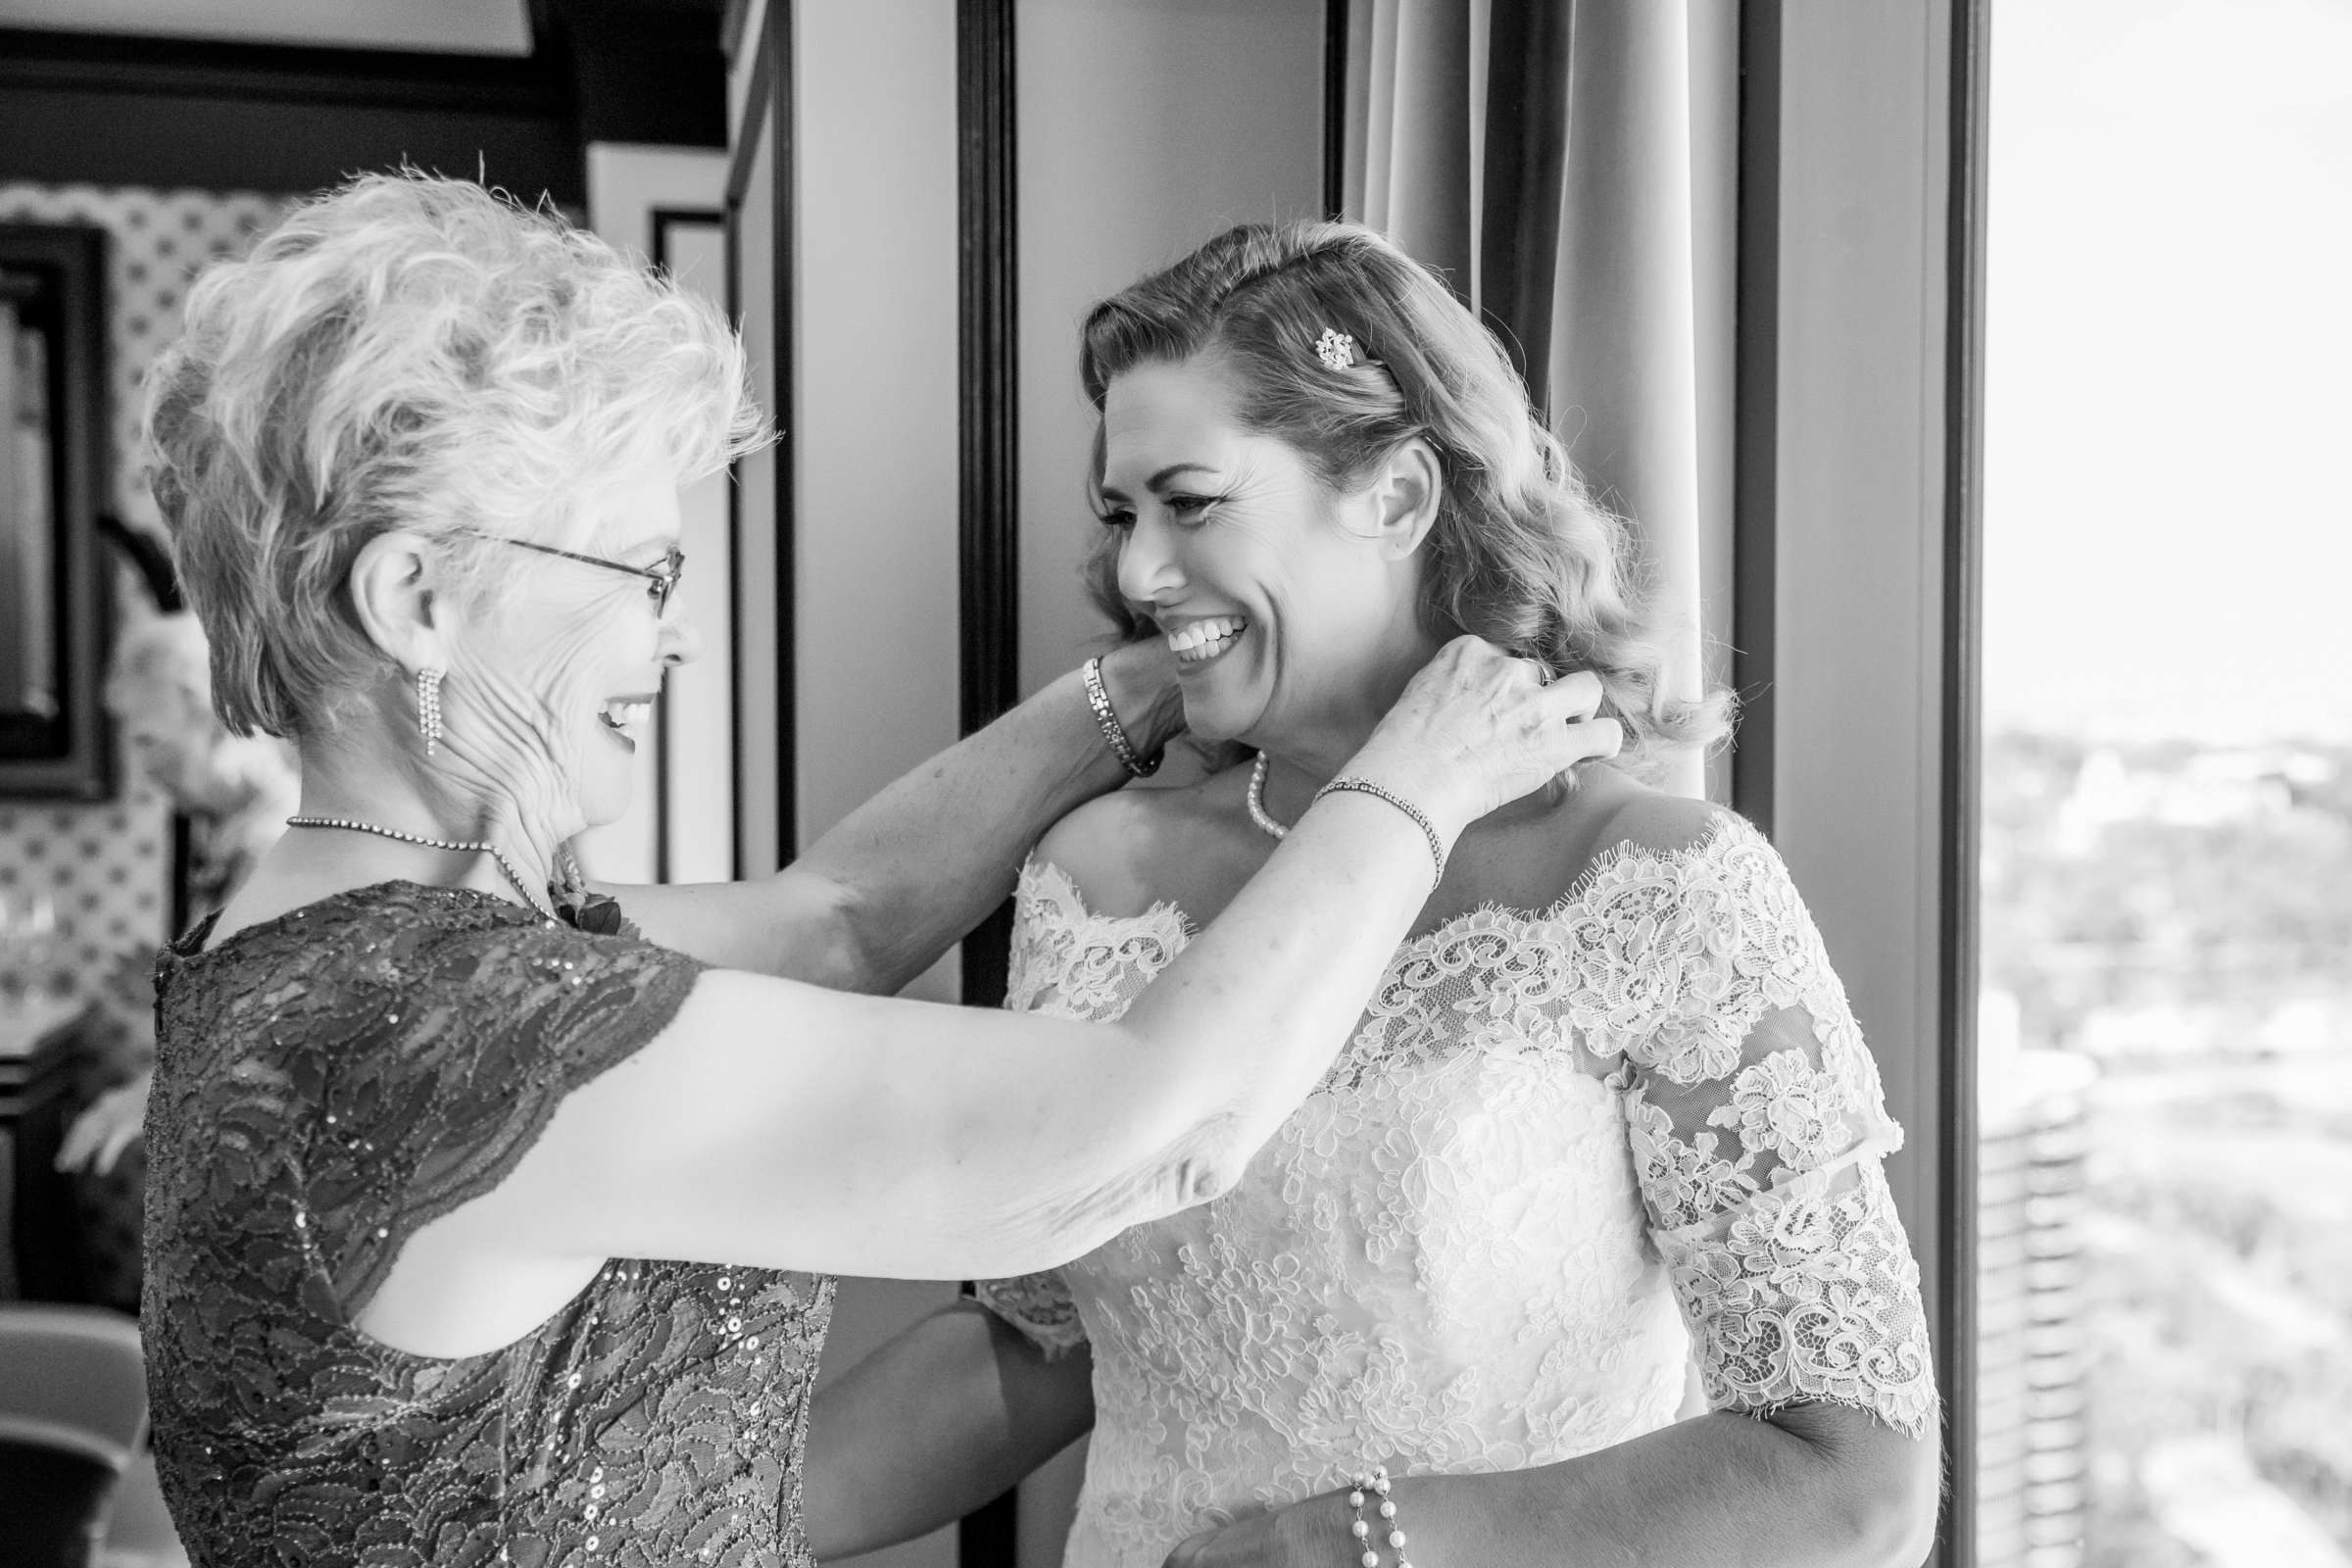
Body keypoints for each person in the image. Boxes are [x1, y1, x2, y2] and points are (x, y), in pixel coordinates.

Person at [134, 173, 1618, 1568]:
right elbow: (1145, 1132)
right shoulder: (446, 1036)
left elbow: (832, 921)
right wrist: (1412, 785)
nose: (676, 634)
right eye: (641, 574)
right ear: (416, 598)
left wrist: (1145, 688)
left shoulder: (337, 958)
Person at [804, 221, 1942, 1568]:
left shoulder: (1660, 890)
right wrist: (665, 1520)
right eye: (1123, 515)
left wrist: (1354, 1548)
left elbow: (1852, 1477)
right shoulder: (1098, 878)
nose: (1136, 573)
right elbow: (1047, 1337)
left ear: (1398, 498)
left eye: (1191, 500)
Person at [50, 610, 298, 1180]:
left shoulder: (270, 844)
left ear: (208, 718)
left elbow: (258, 1028)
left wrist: (144, 1094)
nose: (145, 770)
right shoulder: (236, 835)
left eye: (152, 742)